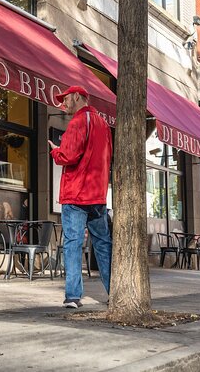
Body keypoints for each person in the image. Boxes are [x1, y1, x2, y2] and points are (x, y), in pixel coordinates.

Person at [48, 86, 113, 308]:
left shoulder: (77, 122)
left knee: (73, 244)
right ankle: (114, 291)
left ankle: (73, 296)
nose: (62, 104)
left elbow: (68, 155)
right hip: (97, 195)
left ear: (77, 97)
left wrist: (55, 151)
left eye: (65, 99)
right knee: (103, 245)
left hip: (76, 194)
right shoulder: (103, 124)